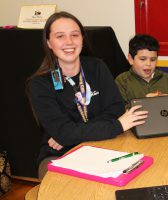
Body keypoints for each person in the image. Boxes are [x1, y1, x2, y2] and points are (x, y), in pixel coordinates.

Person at [26, 11, 148, 180]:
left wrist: (72, 134)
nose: (69, 42)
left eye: (74, 35)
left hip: (103, 145)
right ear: (49, 42)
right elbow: (64, 133)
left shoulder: (97, 66)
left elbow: (115, 109)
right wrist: (116, 126)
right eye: (60, 36)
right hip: (60, 154)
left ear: (82, 39)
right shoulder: (40, 84)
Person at [115, 34, 168, 108]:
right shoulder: (122, 82)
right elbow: (119, 111)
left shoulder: (165, 78)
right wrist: (145, 102)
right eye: (143, 59)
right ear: (131, 59)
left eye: (153, 59)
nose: (148, 64)